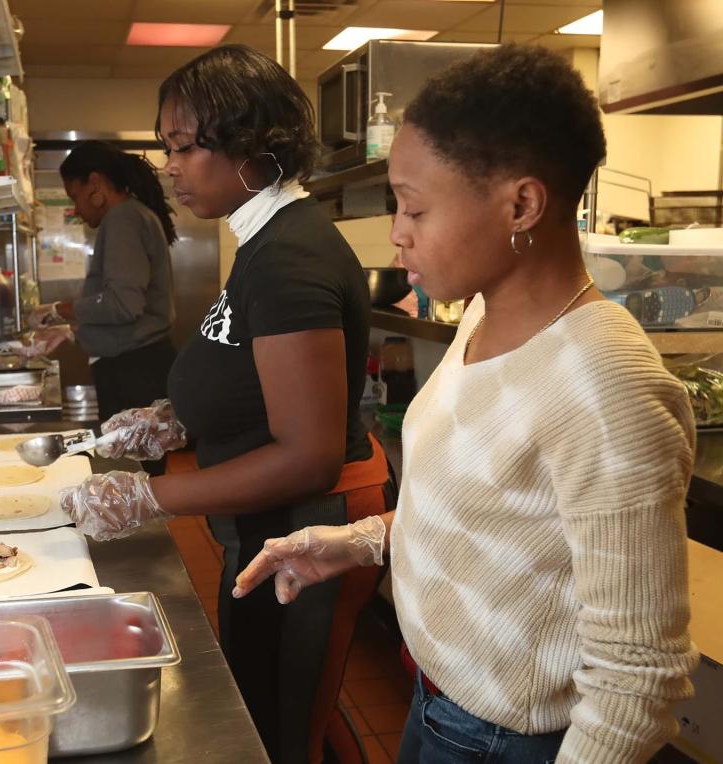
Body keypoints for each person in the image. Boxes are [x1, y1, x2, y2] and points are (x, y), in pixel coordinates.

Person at [232, 44, 699, 764]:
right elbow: (493, 521)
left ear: (521, 203)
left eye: (415, 207)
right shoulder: (483, 319)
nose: (396, 230)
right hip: (438, 707)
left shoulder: (608, 385)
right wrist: (358, 543)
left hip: (515, 744)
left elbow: (640, 677)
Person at [60, 45, 396, 764]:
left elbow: (306, 455)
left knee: (277, 723)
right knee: (271, 694)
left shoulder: (289, 257)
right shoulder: (259, 243)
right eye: (167, 146)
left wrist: (152, 496)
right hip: (269, 522)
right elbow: (249, 369)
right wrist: (175, 416)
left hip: (306, 524)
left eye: (184, 146)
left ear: (253, 144)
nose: (170, 166)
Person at [26, 140, 178, 429]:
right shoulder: (133, 215)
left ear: (94, 184)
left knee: (135, 469)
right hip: (139, 366)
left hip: (134, 372)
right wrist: (71, 331)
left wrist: (58, 310)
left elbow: (122, 304)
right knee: (137, 468)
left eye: (74, 196)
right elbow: (126, 307)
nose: (75, 209)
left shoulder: (124, 218)